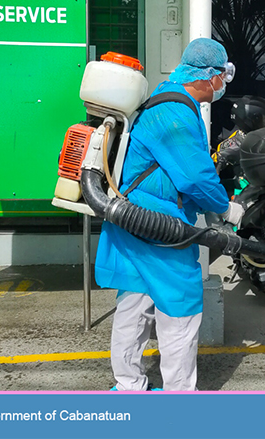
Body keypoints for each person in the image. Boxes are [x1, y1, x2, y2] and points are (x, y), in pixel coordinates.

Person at [95, 38, 244, 391]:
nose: (223, 85)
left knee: (134, 305)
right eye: (223, 76)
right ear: (208, 76)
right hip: (157, 226)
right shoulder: (176, 112)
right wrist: (225, 206)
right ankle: (179, 397)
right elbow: (194, 176)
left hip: (130, 217)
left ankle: (128, 387)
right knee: (181, 309)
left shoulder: (164, 98)